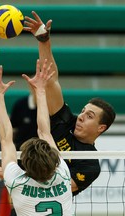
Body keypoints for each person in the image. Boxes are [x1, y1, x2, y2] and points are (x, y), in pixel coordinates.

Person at [23, 11, 116, 196]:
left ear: (101, 128)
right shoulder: (67, 121)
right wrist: (43, 41)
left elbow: (59, 188)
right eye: (83, 111)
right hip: (22, 199)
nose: (81, 116)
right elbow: (50, 80)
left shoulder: (90, 163)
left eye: (89, 116)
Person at [0, 59, 72, 215]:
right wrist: (41, 90)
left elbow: (6, 139)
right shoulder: (63, 174)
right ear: (53, 160)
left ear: (25, 163)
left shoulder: (16, 181)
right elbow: (44, 132)